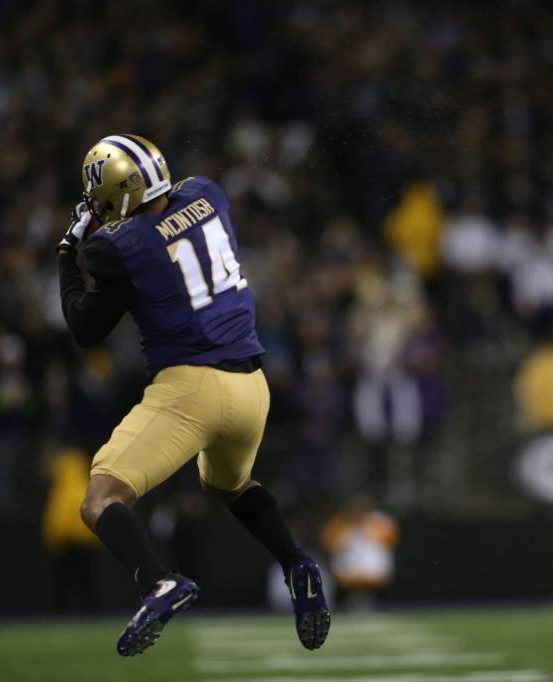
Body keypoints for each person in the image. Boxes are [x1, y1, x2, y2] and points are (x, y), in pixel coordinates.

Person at [57, 134, 330, 656]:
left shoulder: (113, 246)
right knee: (232, 485)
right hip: (253, 388)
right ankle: (296, 562)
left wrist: (68, 255)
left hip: (190, 387)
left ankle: (157, 581)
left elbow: (85, 328)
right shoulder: (208, 192)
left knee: (100, 500)